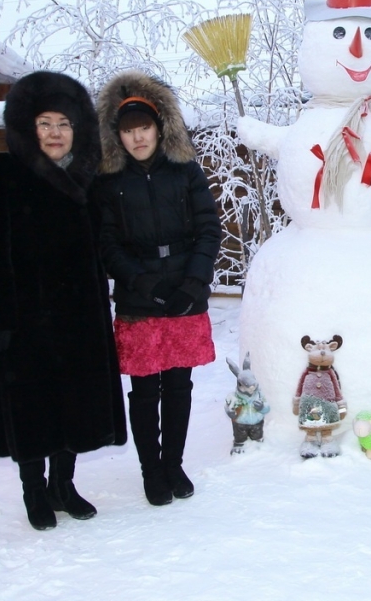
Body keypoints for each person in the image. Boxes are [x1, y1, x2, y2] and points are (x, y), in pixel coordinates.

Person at [0, 71, 127, 531]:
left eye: (64, 124)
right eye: (45, 123)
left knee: (72, 405)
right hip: (20, 320)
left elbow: (105, 248)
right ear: (28, 127)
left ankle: (63, 485)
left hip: (78, 318)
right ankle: (34, 490)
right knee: (30, 408)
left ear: (78, 130)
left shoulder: (86, 180)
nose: (55, 133)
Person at [92, 70, 222, 507]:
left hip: (185, 287)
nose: (137, 138)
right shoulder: (109, 181)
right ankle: (151, 470)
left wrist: (195, 281)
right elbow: (105, 241)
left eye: (144, 127)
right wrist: (140, 280)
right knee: (146, 389)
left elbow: (208, 227)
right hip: (138, 294)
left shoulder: (184, 170)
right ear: (118, 136)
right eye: (128, 131)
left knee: (179, 385)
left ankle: (174, 464)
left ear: (159, 126)